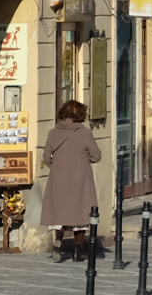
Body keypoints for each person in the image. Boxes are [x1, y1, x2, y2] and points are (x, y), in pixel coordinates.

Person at [40, 100, 102, 262]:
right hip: (80, 179)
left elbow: (46, 157)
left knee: (59, 212)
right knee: (80, 216)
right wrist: (81, 161)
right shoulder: (85, 133)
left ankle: (59, 238)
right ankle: (77, 251)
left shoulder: (53, 133)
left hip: (58, 179)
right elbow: (96, 156)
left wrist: (57, 166)